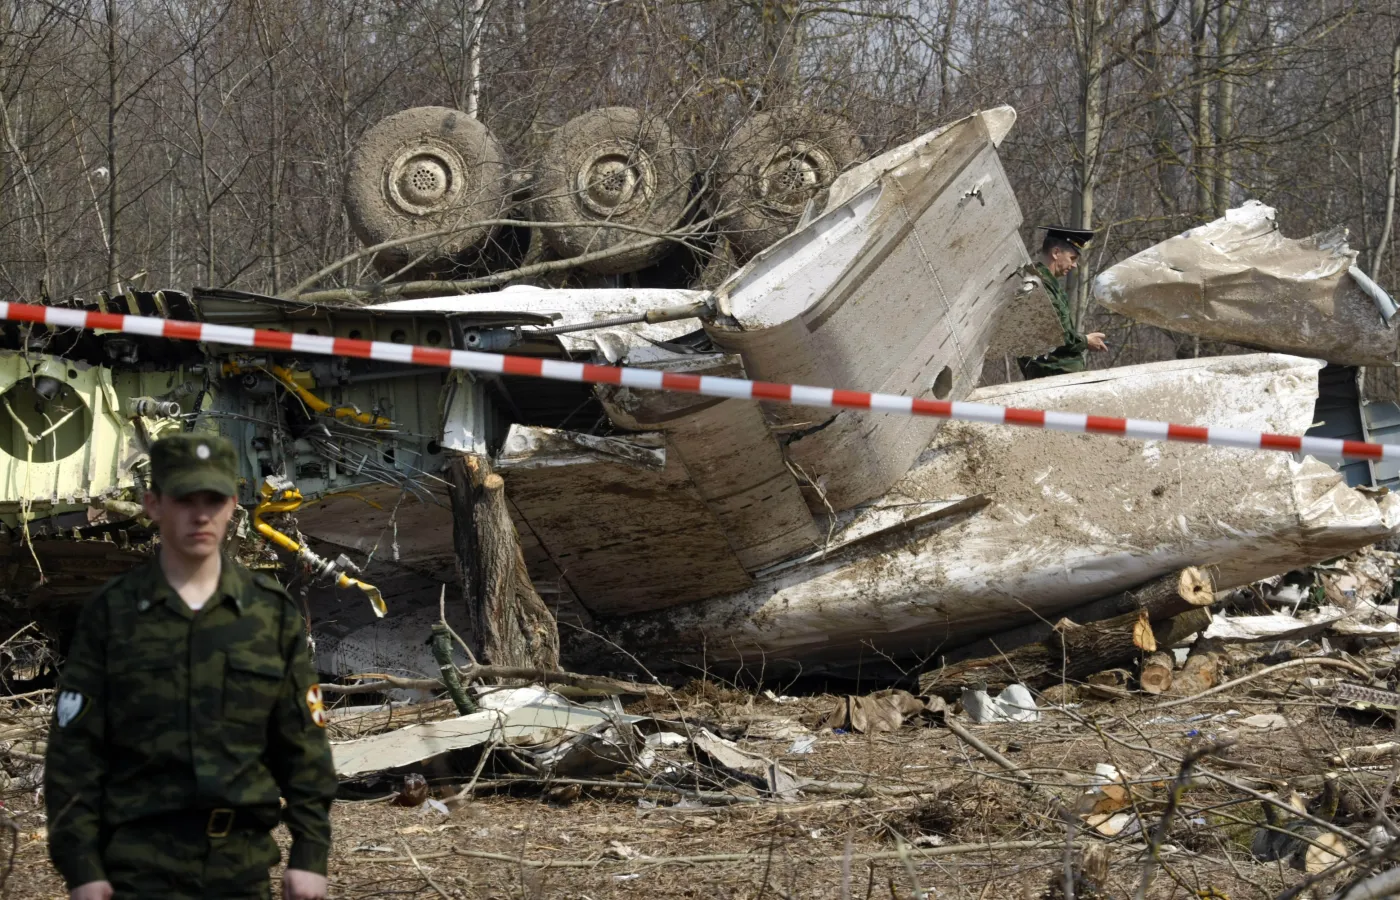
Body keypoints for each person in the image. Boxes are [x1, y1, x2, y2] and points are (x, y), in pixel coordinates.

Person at [45, 434, 337, 900]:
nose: (200, 514)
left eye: (213, 499)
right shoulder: (113, 613)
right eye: (184, 499)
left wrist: (310, 853)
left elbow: (303, 743)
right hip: (135, 873)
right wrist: (80, 866)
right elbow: (74, 752)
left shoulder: (269, 613)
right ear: (154, 504)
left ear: (232, 505)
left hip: (241, 869)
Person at [1017, 226, 1109, 379]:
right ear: (1056, 253)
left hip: (1057, 375)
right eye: (1072, 258)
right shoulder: (1038, 286)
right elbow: (1054, 335)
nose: (1074, 265)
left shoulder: (1047, 284)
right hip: (1051, 375)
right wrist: (1085, 341)